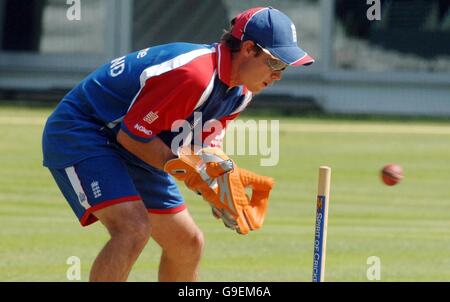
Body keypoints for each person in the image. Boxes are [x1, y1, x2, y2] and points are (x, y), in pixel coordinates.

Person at [42, 6, 314, 282]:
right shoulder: (193, 74)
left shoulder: (241, 92)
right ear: (248, 49)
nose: (279, 75)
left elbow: (203, 145)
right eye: (276, 63)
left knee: (188, 243)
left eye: (285, 67)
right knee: (133, 229)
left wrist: (219, 183)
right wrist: (193, 171)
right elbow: (133, 135)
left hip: (134, 143)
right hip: (85, 130)